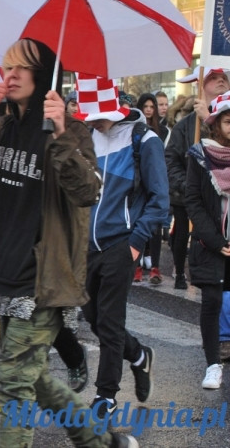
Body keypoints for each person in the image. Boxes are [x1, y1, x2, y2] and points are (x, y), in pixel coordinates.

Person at [0, 38, 138, 448]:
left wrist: (63, 135)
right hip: (5, 271)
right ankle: (100, 442)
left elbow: (88, 192)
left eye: (20, 68)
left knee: (13, 385)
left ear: (42, 75)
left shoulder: (71, 130)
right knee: (37, 377)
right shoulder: (0, 124)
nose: (9, 75)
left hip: (44, 280)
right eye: (6, 66)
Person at [73, 76, 167, 419]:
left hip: (121, 244)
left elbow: (160, 199)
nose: (93, 120)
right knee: (93, 318)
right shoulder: (87, 137)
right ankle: (140, 356)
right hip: (86, 246)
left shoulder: (145, 139)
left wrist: (136, 242)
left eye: (96, 114)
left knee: (110, 321)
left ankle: (106, 395)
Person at [166, 68, 230, 292]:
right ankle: (181, 272)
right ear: (200, 85)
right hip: (189, 200)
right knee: (184, 235)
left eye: (224, 77)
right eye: (213, 77)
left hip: (223, 206)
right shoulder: (185, 126)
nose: (221, 79)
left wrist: (208, 119)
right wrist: (188, 185)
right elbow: (171, 161)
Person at [184, 91, 230, 390]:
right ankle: (213, 364)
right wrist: (214, 240)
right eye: (228, 121)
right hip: (211, 243)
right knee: (212, 301)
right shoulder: (200, 155)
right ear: (216, 124)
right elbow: (193, 199)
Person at [135, 92, 169, 285]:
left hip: (157, 181)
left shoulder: (164, 131)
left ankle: (155, 267)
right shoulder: (135, 130)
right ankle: (137, 266)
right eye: (145, 107)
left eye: (152, 107)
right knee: (140, 224)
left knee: (155, 228)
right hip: (140, 183)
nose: (148, 110)